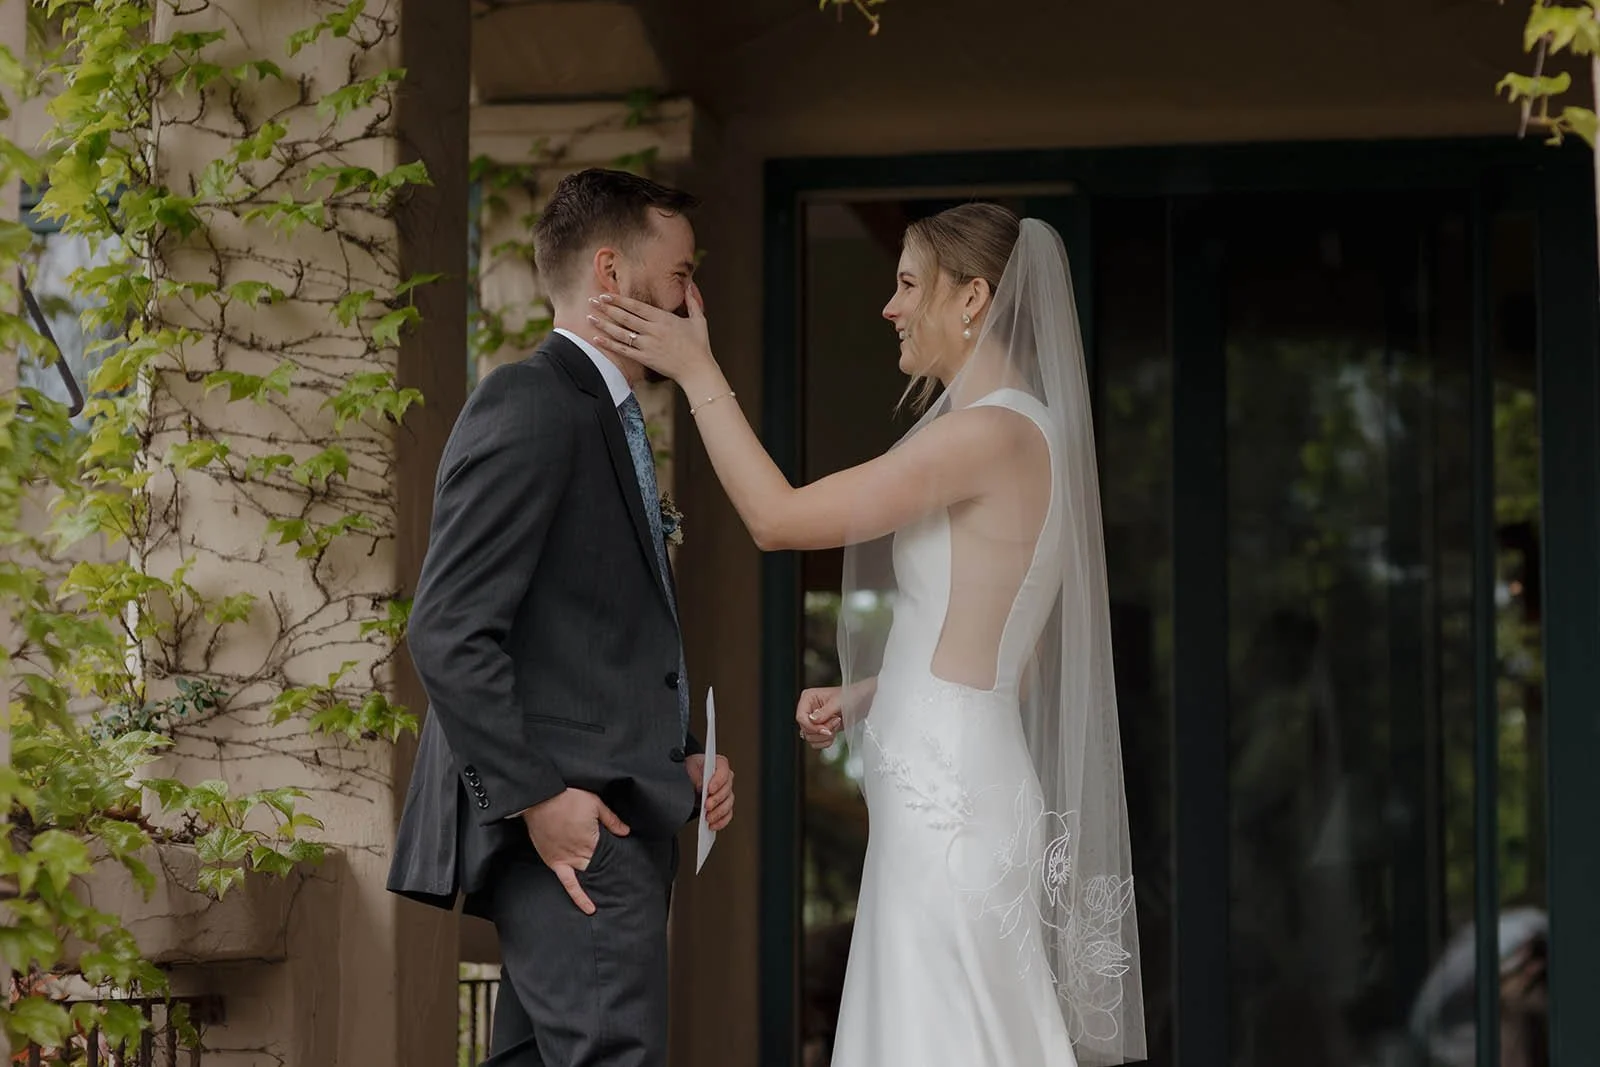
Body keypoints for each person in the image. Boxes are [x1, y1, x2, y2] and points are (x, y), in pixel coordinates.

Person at [589, 203, 1144, 1066]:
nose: (889, 306)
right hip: (959, 788)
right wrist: (869, 692)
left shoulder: (986, 433)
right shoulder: (1033, 432)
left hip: (948, 812)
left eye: (909, 283)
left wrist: (699, 371)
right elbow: (1010, 663)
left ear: (973, 298)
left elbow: (778, 518)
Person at [387, 168, 736, 1067]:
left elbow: (576, 643)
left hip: (603, 818)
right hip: (578, 836)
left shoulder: (604, 419)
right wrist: (542, 799)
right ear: (612, 276)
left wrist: (673, 761)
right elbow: (446, 629)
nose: (696, 303)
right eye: (681, 277)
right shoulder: (533, 403)